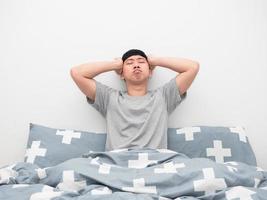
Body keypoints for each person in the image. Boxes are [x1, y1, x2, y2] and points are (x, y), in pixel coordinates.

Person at [70, 49, 199, 151]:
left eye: (141, 62)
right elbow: (77, 73)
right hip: (117, 163)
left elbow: (192, 67)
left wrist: (155, 60)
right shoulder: (109, 98)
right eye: (130, 63)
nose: (136, 65)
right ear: (121, 74)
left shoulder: (163, 96)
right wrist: (115, 64)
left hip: (155, 163)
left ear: (150, 72)